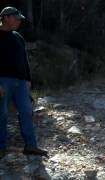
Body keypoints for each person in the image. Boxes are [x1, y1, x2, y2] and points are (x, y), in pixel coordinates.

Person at [0, 7, 48, 159]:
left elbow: (24, 60)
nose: (19, 21)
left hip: (21, 82)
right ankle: (1, 147)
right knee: (2, 114)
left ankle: (30, 146)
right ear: (6, 18)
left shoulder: (18, 37)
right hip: (3, 80)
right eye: (16, 18)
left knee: (27, 111)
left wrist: (28, 79)